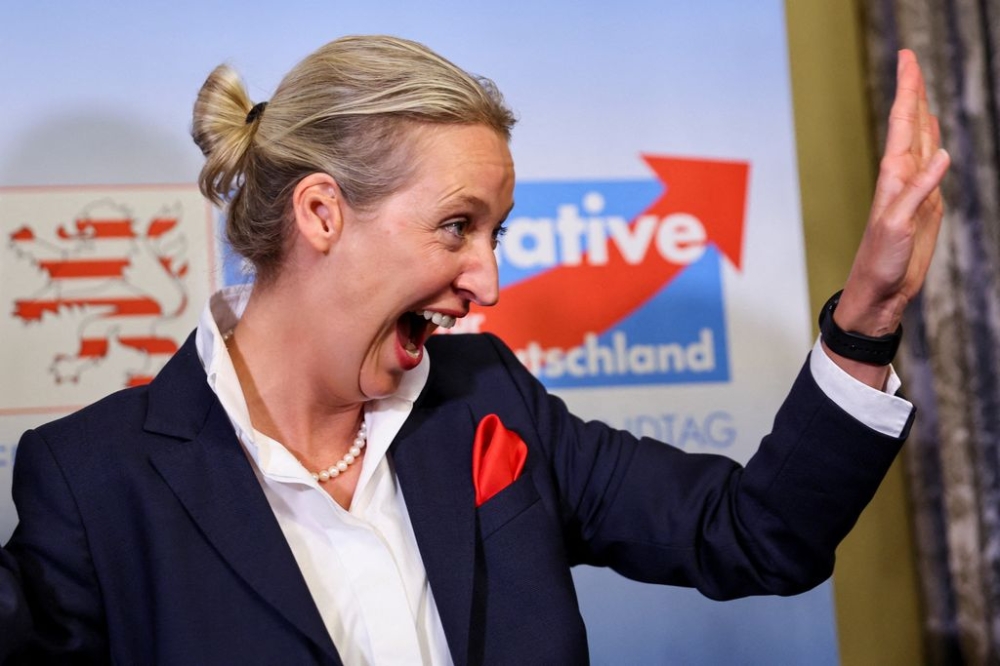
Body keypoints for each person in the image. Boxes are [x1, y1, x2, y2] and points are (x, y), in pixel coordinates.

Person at [0, 35, 949, 664]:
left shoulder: (490, 398)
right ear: (322, 211)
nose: (489, 283)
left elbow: (756, 534)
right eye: (457, 227)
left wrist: (866, 314)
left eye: (494, 233)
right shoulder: (92, 482)